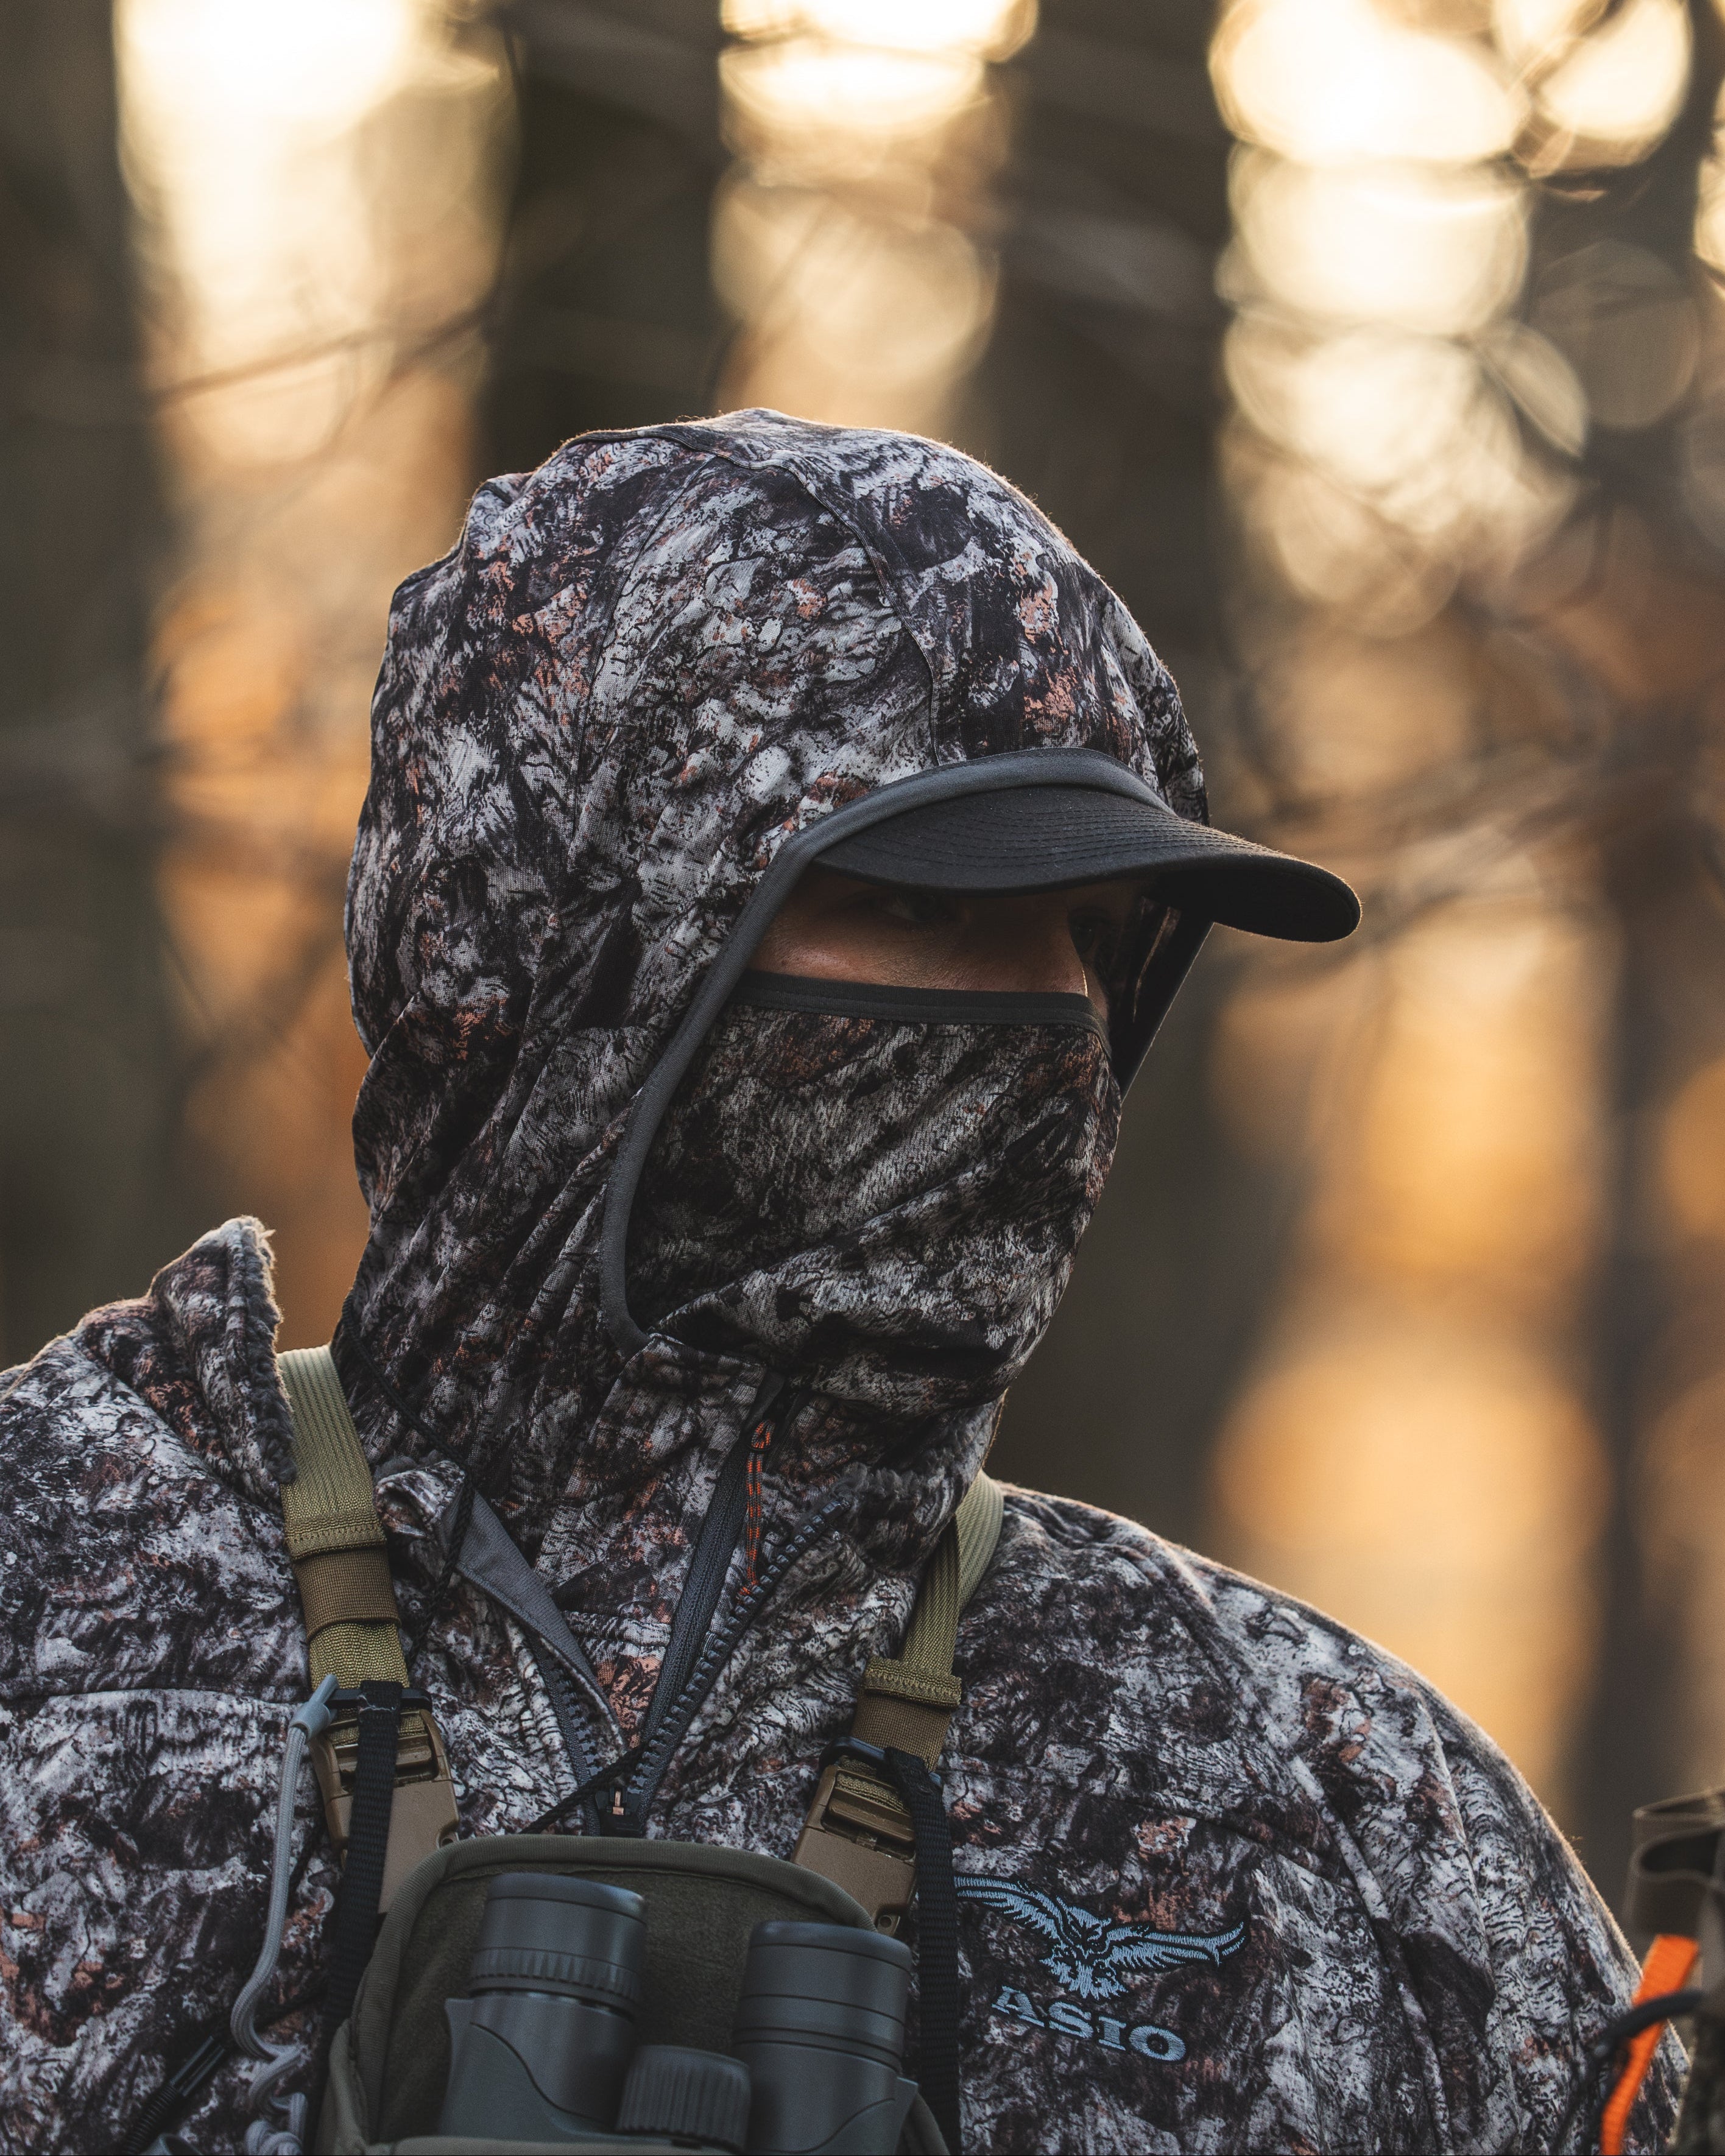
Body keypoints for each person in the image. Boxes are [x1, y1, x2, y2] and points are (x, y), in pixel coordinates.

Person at [0, 411, 1676, 2153]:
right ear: (569, 939)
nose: (1055, 1016)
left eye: (1095, 933)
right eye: (929, 912)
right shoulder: (51, 1617)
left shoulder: (1341, 1818)